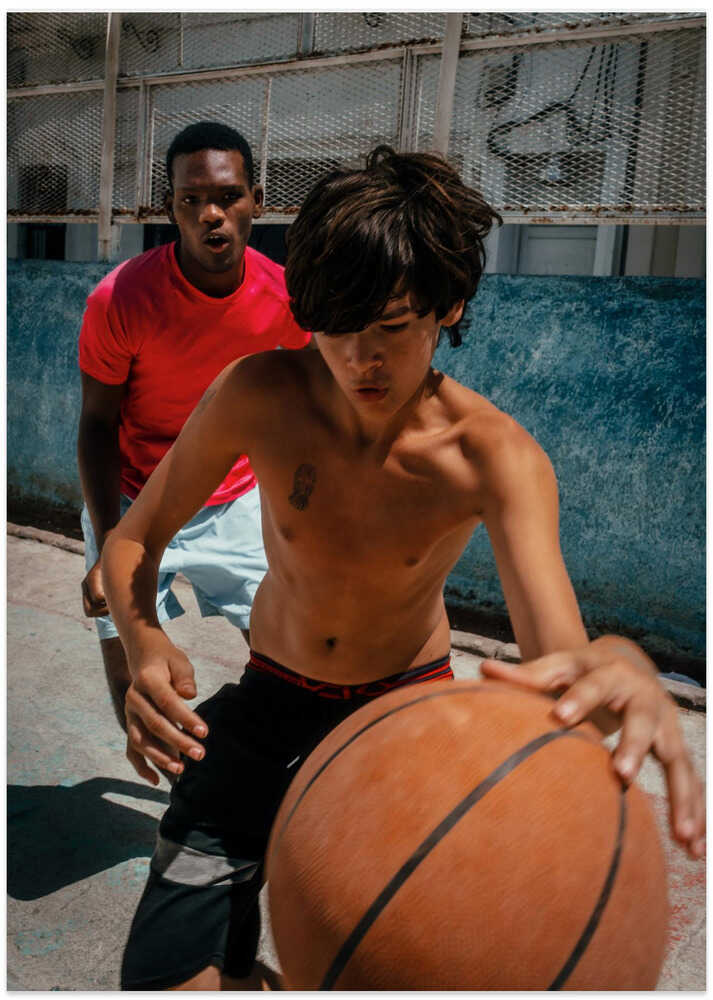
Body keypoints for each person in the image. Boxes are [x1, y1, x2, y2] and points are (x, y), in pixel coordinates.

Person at [102, 147, 705, 991]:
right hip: (267, 704)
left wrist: (627, 667)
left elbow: (562, 659)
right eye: (337, 329)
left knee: (398, 958)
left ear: (448, 305)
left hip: (404, 727)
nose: (360, 361)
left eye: (391, 327)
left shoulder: (494, 457)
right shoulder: (261, 392)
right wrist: (142, 639)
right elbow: (134, 539)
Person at [77, 121, 311, 734]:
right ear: (170, 208)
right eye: (192, 200)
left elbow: (302, 419)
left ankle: (259, 789)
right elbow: (97, 425)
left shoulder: (287, 303)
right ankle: (174, 807)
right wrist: (109, 543)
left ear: (256, 201)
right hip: (135, 498)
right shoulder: (120, 298)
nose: (212, 214)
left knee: (291, 654)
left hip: (234, 499)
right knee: (136, 678)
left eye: (229, 196)